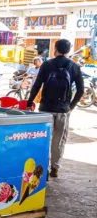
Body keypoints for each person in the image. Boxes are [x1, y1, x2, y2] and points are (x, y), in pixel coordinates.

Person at [27, 39, 83, 178]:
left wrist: (29, 101)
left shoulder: (47, 64)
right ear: (68, 51)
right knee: (59, 140)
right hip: (63, 110)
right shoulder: (74, 66)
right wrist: (70, 106)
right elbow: (81, 90)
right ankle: (55, 168)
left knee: (44, 139)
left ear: (55, 49)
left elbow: (37, 85)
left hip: (46, 109)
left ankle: (43, 169)